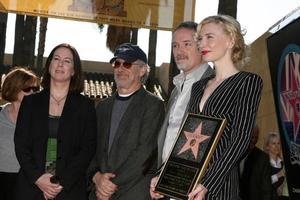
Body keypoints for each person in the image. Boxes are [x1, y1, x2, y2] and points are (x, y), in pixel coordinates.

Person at [186, 14, 263, 200]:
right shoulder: (198, 87)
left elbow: (241, 139)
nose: (202, 44)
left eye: (209, 37)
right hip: (188, 183)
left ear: (230, 40)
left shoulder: (247, 81)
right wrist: (162, 175)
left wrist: (207, 183)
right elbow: (185, 138)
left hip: (221, 186)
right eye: (200, 39)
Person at [13, 43, 97, 200]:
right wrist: (38, 178)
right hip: (31, 188)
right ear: (49, 65)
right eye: (56, 59)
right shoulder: (30, 103)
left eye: (67, 61)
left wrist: (59, 182)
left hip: (69, 190)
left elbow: (88, 149)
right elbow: (21, 144)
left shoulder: (85, 106)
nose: (60, 64)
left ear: (74, 71)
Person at [88, 43, 165, 200]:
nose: (120, 69)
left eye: (127, 64)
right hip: (99, 193)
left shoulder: (153, 105)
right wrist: (96, 177)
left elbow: (145, 152)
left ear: (142, 70)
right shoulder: (103, 106)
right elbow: (91, 147)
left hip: (133, 192)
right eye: (117, 63)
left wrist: (109, 185)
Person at [150, 21, 214, 199]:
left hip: (197, 189)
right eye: (175, 45)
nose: (179, 51)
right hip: (169, 185)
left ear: (201, 46)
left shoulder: (215, 84)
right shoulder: (177, 88)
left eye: (187, 44)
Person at [0, 67, 40, 200]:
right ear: (14, 88)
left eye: (36, 89)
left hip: (28, 181)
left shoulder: (41, 120)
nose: (33, 92)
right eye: (27, 89)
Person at [239, 125, 273, 200]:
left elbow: (266, 188)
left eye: (256, 137)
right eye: (251, 137)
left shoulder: (262, 158)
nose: (254, 140)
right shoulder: (234, 154)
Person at [264, 132, 286, 200]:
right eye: (273, 143)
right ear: (267, 146)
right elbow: (262, 183)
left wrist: (282, 187)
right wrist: (278, 175)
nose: (277, 146)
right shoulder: (263, 163)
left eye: (278, 143)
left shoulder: (282, 163)